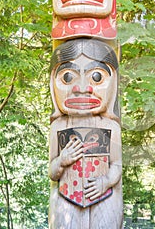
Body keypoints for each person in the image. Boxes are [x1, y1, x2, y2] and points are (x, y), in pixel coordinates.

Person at [48, 38, 123, 229]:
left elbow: (117, 164)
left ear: (113, 83)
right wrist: (61, 160)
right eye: (67, 77)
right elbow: (52, 172)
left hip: (103, 196)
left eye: (96, 77)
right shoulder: (58, 126)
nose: (82, 88)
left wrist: (106, 182)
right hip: (67, 198)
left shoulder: (110, 126)